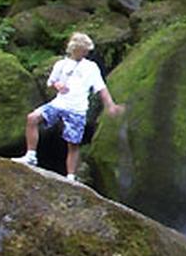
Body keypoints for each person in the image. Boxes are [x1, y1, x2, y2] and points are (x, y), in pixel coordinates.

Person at [14, 32, 124, 181]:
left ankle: (71, 176)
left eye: (87, 50)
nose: (86, 53)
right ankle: (31, 156)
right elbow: (51, 82)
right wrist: (57, 85)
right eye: (84, 50)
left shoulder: (91, 67)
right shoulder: (61, 64)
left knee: (73, 144)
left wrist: (110, 105)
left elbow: (101, 88)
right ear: (74, 48)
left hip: (77, 109)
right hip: (59, 104)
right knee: (32, 118)